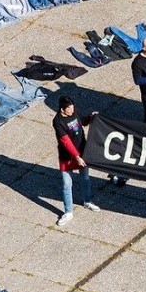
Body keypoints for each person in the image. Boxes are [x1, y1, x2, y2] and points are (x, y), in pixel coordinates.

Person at [52, 96, 100, 227]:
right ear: (62, 109)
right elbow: (65, 142)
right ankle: (68, 212)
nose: (72, 110)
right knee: (67, 184)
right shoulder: (58, 121)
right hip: (68, 157)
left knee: (85, 178)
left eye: (73, 107)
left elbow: (82, 121)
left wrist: (91, 117)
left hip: (82, 153)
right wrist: (77, 156)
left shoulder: (74, 113)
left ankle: (87, 201)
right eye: (69, 108)